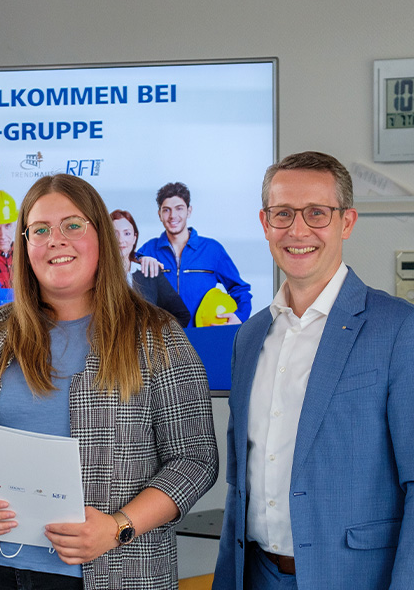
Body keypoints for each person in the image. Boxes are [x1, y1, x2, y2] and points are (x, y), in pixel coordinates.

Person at [0, 174, 218, 589]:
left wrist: (118, 527)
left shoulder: (158, 337)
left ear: (101, 236)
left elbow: (195, 459)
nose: (55, 240)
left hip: (113, 573)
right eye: (40, 230)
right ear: (25, 246)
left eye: (72, 225)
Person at [213, 152, 414, 590]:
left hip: (355, 578)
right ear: (265, 223)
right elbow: (239, 482)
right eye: (283, 213)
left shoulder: (398, 328)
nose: (298, 230)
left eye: (317, 213)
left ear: (347, 222)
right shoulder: (250, 336)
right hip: (256, 575)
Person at [136, 182, 251, 327]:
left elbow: (239, 288)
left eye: (179, 208)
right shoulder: (149, 250)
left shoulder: (212, 250)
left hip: (203, 335)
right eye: (166, 210)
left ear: (189, 211)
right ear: (159, 214)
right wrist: (140, 258)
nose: (173, 216)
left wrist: (240, 317)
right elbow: (125, 263)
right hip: (163, 337)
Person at [111, 209, 190, 327]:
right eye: (114, 233)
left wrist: (156, 334)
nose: (121, 240)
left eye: (127, 233)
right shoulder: (96, 276)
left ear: (134, 238)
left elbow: (181, 314)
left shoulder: (150, 273)